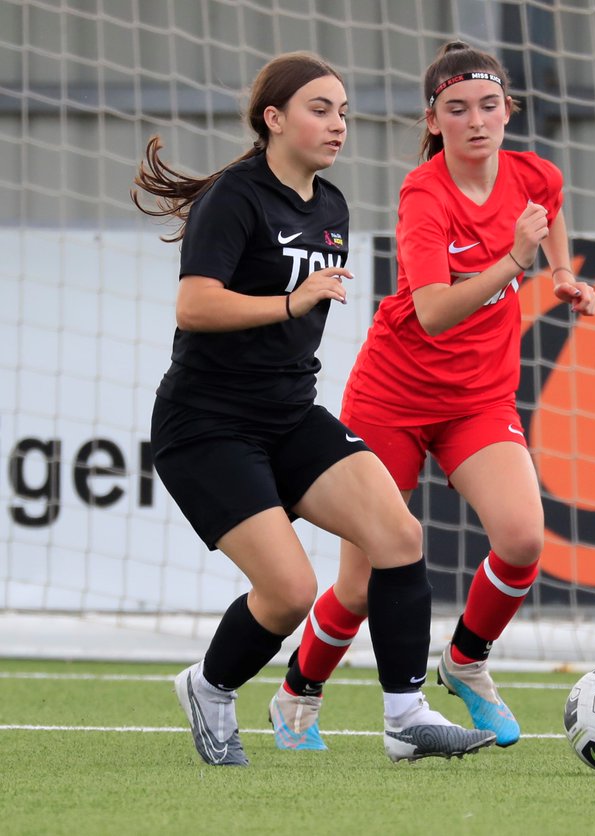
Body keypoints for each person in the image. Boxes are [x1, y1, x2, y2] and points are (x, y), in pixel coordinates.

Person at [132, 51, 496, 765]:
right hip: (206, 425)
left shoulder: (330, 204)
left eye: (344, 113)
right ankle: (209, 689)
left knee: (399, 536)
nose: (338, 126)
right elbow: (195, 305)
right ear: (274, 119)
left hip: (289, 416)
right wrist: (293, 301)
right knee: (291, 590)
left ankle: (405, 717)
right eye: (320, 109)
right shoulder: (234, 197)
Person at [267, 40, 595, 750]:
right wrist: (515, 260)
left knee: (522, 538)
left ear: (508, 110)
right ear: (434, 118)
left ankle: (466, 661)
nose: (476, 120)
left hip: (479, 400)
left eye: (488, 105)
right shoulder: (424, 193)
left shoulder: (533, 173)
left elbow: (550, 206)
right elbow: (435, 312)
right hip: (393, 398)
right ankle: (296, 694)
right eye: (458, 109)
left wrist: (564, 271)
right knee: (361, 582)